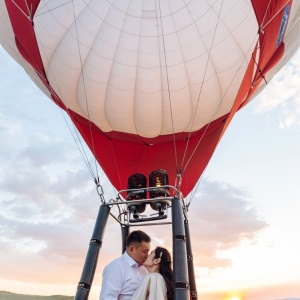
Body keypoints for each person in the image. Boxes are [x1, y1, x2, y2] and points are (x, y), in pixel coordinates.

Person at [100, 230, 151, 300]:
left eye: (148, 252)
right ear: (132, 249)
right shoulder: (116, 267)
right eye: (144, 252)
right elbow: (108, 298)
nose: (147, 255)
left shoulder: (145, 270)